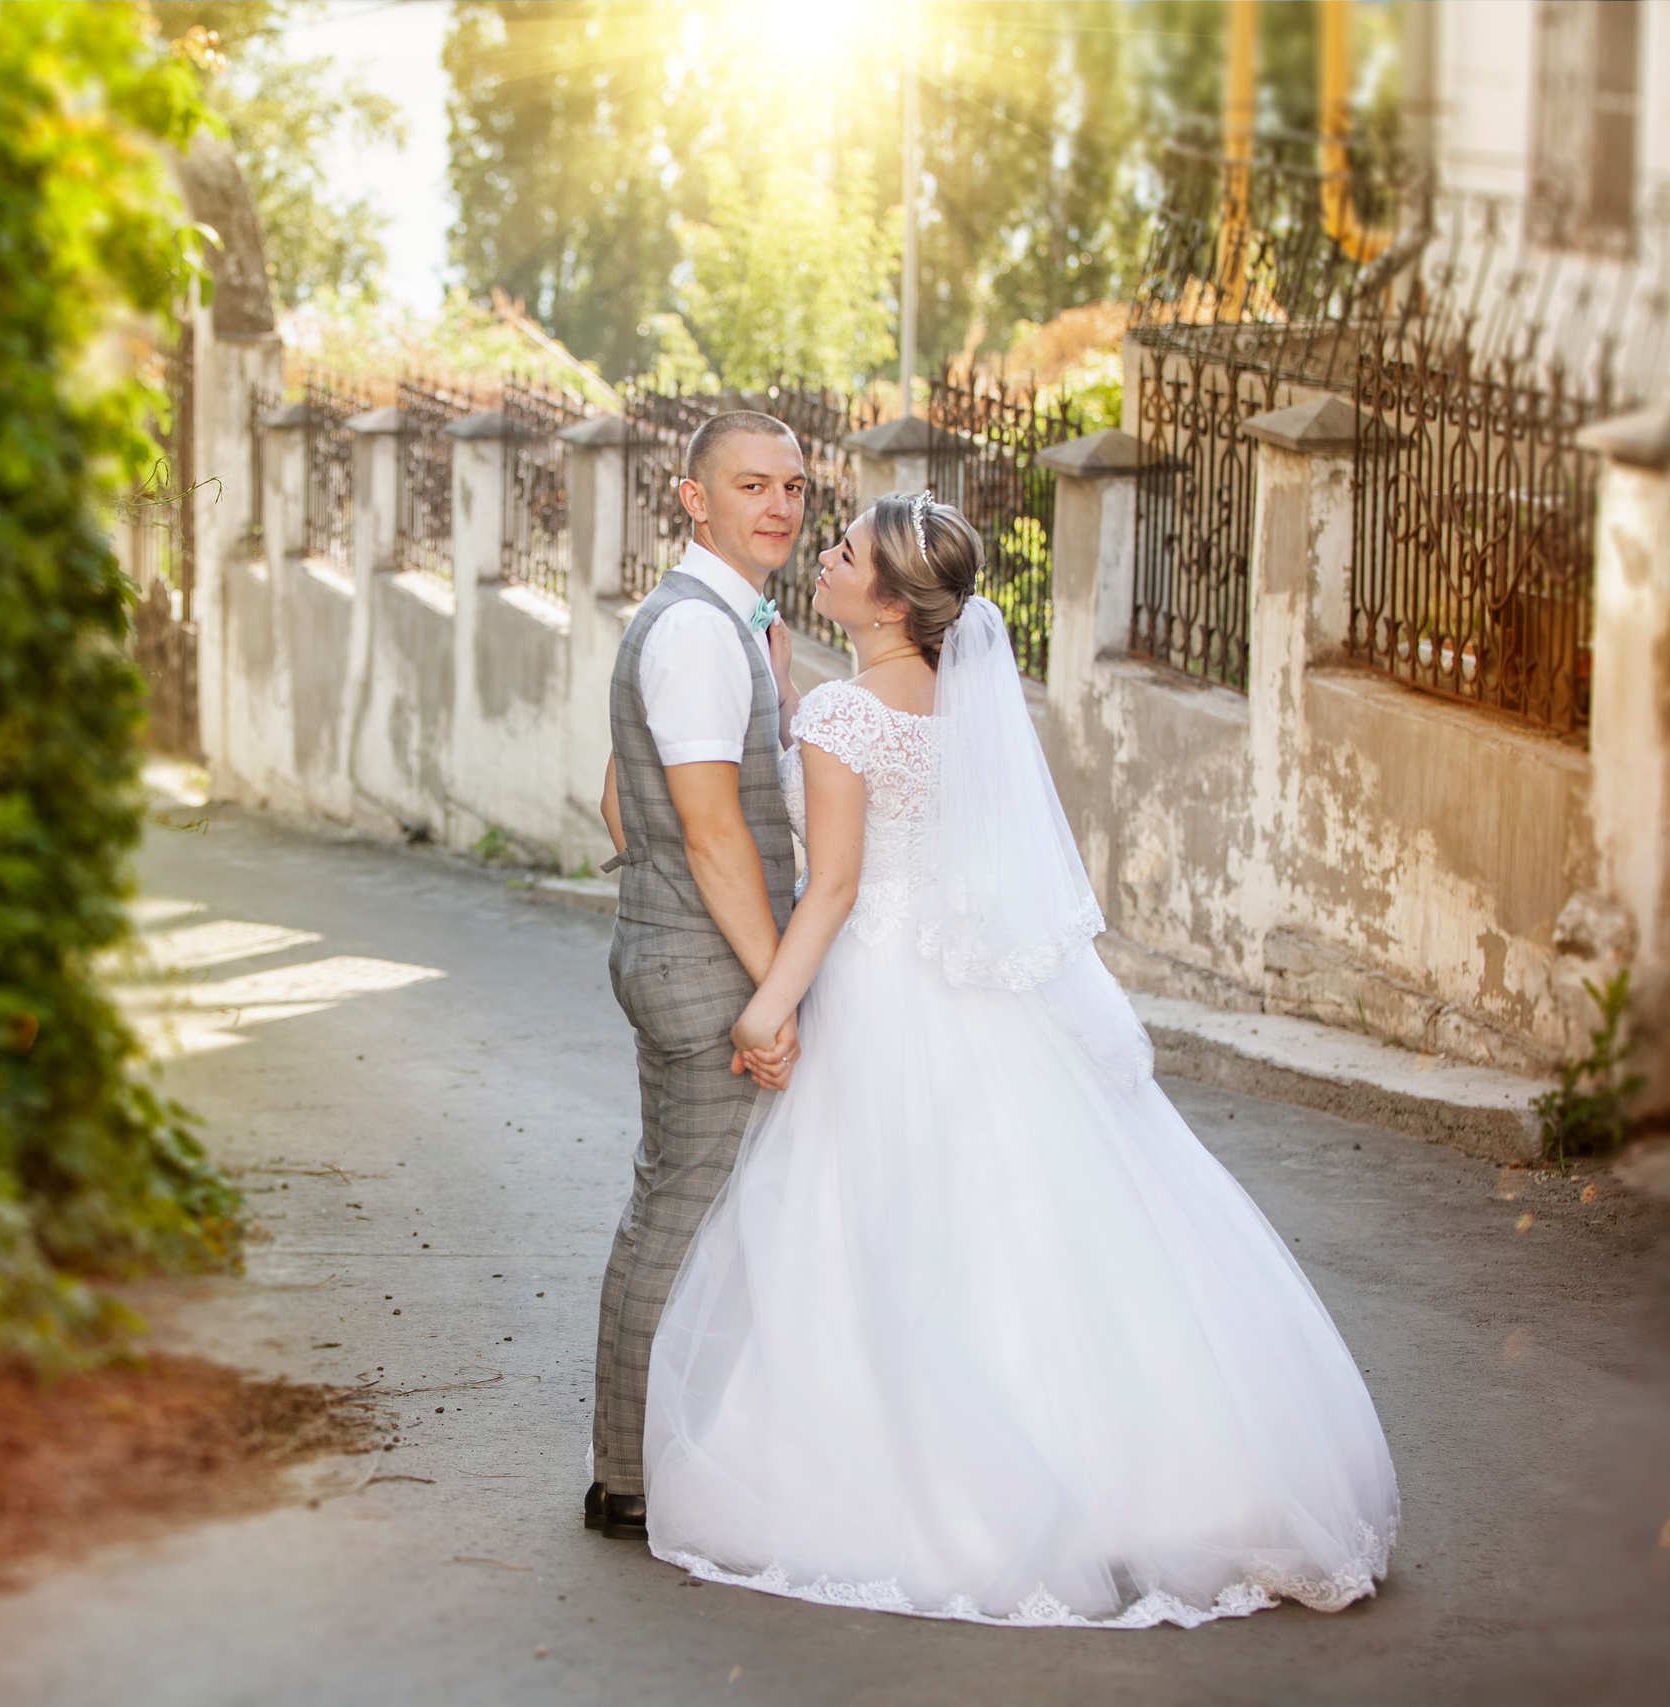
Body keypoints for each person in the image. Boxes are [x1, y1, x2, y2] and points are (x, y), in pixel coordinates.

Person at [638, 491, 1402, 1626]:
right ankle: (1142, 1479)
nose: (824, 555)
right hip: (983, 992)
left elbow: (838, 882)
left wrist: (770, 1008)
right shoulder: (958, 701)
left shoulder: (846, 717)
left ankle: (926, 1491)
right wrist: (797, 691)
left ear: (890, 599)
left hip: (888, 991)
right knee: (1035, 1221)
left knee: (885, 1228)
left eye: (844, 551)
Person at [587, 410, 809, 1544]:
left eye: (792, 487)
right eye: (749, 485)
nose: (776, 506)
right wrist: (773, 992)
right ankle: (629, 1479)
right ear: (693, 497)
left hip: (679, 948)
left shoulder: (718, 626)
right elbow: (714, 833)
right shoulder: (695, 635)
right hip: (711, 970)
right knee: (682, 1211)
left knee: (677, 1202)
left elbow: (625, 807)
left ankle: (651, 1457)